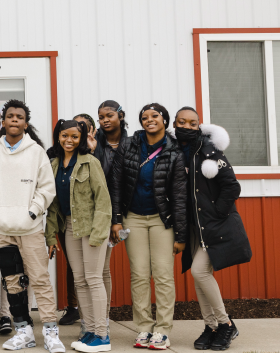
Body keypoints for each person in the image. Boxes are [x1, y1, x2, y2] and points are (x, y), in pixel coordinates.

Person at [0, 100, 65, 353]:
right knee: (12, 281)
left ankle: (50, 332)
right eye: (10, 116)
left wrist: (33, 211)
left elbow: (47, 188)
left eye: (19, 116)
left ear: (25, 123)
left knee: (40, 279)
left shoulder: (36, 151)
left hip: (30, 228)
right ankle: (23, 331)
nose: (14, 119)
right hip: (3, 229)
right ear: (2, 121)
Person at [110, 103, 187, 350]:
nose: (149, 120)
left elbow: (179, 194)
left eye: (155, 116)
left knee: (163, 275)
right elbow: (117, 182)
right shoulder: (130, 145)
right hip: (133, 217)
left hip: (162, 220)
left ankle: (163, 330)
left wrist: (181, 234)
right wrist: (117, 218)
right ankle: (143, 327)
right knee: (140, 275)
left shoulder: (174, 150)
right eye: (145, 117)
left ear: (165, 120)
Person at [173, 107, 250, 351]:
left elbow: (231, 186)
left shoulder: (209, 151)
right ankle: (211, 326)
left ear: (199, 126)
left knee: (199, 272)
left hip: (213, 224)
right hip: (194, 227)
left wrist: (217, 213)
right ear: (174, 124)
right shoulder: (173, 151)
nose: (187, 126)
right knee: (200, 277)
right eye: (181, 122)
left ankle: (226, 324)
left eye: (192, 123)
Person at [46, 120, 112, 352]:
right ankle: (91, 330)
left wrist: (99, 232)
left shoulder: (90, 162)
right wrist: (51, 236)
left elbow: (103, 200)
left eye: (75, 136)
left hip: (92, 225)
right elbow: (52, 206)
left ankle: (103, 336)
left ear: (81, 138)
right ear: (59, 136)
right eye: (65, 135)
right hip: (70, 226)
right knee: (80, 280)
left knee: (94, 278)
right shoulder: (53, 164)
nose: (69, 140)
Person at [90, 101, 130, 334]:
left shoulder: (133, 142)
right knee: (101, 267)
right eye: (101, 116)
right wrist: (92, 148)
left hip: (129, 210)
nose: (105, 120)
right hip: (102, 212)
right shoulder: (96, 144)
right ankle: (101, 318)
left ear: (120, 116)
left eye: (109, 115)